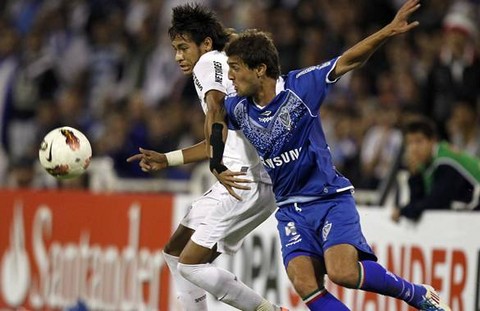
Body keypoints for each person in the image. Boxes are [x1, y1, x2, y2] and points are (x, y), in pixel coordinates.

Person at [209, 1, 450, 310]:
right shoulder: (238, 107)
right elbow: (214, 115)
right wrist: (182, 159)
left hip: (327, 198)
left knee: (343, 272)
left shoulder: (299, 88)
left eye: (235, 68)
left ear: (260, 69)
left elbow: (348, 60)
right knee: (303, 283)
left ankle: (416, 294)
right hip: (289, 208)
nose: (230, 77)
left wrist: (388, 31)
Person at [127, 4, 284, 311]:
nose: (178, 57)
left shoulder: (208, 62)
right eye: (174, 49)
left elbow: (215, 109)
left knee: (190, 264)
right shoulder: (227, 64)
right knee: (174, 251)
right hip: (244, 174)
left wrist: (216, 166)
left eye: (184, 48)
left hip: (242, 180)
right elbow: (218, 140)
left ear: (206, 44)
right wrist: (167, 159)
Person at [391, 115, 480, 222]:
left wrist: (403, 211)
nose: (413, 148)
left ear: (433, 141)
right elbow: (419, 202)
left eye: (419, 141)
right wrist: (415, 174)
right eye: (409, 143)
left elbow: (436, 202)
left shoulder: (446, 160)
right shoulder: (427, 163)